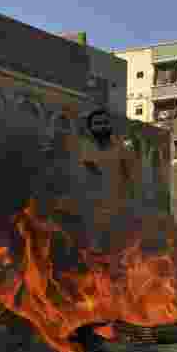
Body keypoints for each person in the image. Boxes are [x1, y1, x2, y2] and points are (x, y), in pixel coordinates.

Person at [75, 107, 138, 252]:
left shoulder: (123, 148)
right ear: (90, 127)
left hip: (118, 214)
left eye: (105, 122)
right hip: (92, 217)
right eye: (97, 123)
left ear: (110, 125)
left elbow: (131, 178)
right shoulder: (84, 148)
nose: (101, 126)